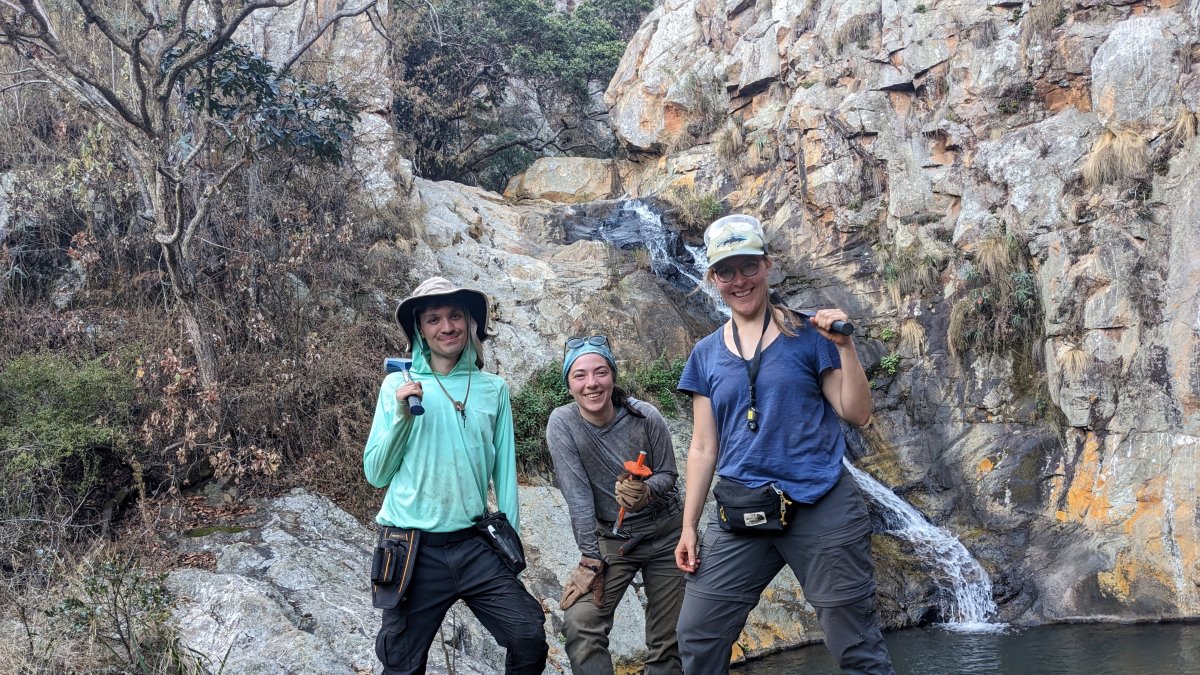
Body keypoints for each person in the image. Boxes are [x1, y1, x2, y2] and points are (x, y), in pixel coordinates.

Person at [673, 215, 894, 674]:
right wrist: (689, 525)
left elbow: (856, 413)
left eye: (748, 266)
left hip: (820, 502)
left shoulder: (810, 334)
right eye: (727, 271)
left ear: (767, 266)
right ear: (713, 279)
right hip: (742, 510)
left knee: (855, 644)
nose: (740, 280)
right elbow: (702, 448)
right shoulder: (705, 354)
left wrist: (846, 349)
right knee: (697, 634)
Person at [363, 276, 548, 675]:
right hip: (413, 548)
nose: (447, 327)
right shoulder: (397, 385)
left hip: (474, 544)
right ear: (419, 329)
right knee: (401, 663)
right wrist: (400, 415)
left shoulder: (493, 389)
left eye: (455, 316)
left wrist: (510, 546)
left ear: (470, 322)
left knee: (528, 636)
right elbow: (376, 473)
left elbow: (505, 472)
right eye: (433, 319)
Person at [545, 335, 685, 675]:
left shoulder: (645, 416)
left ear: (613, 377)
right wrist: (590, 559)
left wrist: (647, 491)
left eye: (600, 372)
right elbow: (578, 498)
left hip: (668, 535)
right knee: (580, 624)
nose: (591, 383)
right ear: (568, 383)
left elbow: (668, 473)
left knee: (669, 642)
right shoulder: (563, 424)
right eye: (580, 375)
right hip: (612, 540)